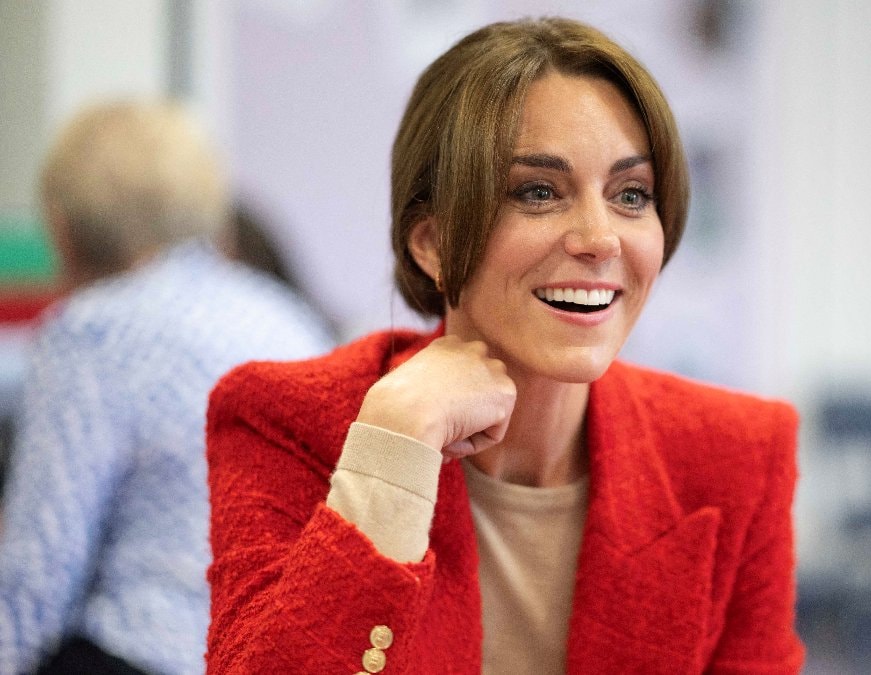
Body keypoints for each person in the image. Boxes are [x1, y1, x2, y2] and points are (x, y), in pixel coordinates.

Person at [207, 17, 804, 674]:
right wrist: (394, 449)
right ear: (431, 242)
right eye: (539, 192)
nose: (600, 239)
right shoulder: (284, 419)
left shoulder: (738, 453)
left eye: (631, 194)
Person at [0, 102, 336, 674]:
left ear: (63, 229)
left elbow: (38, 574)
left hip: (147, 653)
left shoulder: (91, 331)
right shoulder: (287, 316)